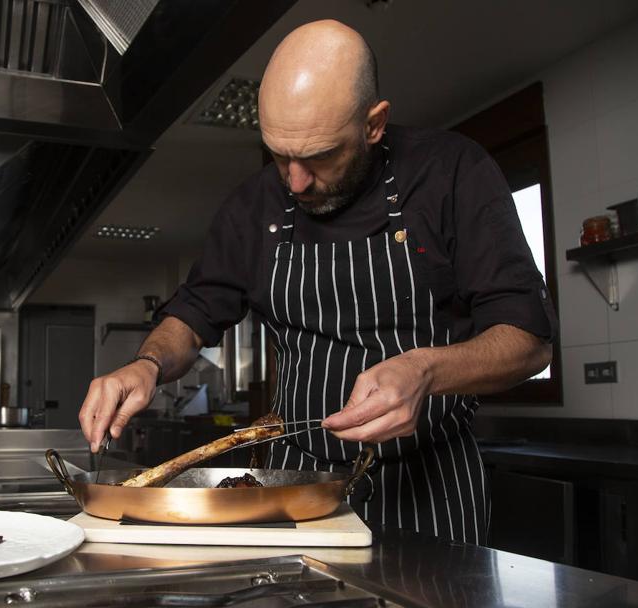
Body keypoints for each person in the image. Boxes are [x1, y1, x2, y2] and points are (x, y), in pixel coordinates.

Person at [77, 20, 556, 544]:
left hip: (430, 480)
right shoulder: (251, 207)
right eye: (279, 156)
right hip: (295, 484)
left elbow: (528, 342)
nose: (296, 181)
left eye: (320, 157)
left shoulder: (452, 173)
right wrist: (146, 365)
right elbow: (190, 319)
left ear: (374, 124)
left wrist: (426, 369)